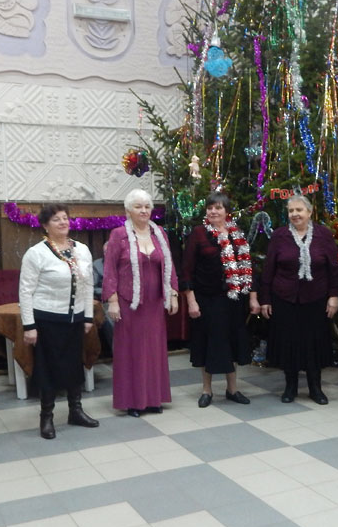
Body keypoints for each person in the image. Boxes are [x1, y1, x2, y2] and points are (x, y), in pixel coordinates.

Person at [19, 203, 100, 438]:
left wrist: (87, 316)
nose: (63, 222)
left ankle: (76, 410)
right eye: (56, 219)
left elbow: (87, 285)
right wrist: (29, 325)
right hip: (47, 320)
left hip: (75, 320)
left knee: (75, 365)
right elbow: (25, 291)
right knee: (48, 370)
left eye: (65, 218)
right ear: (45, 225)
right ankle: (46, 417)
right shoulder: (36, 253)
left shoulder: (82, 249)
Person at [102, 188, 179, 417]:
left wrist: (173, 294)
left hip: (155, 303)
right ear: (128, 210)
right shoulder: (118, 235)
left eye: (147, 206)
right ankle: (133, 401)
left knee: (154, 351)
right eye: (138, 207)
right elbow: (110, 270)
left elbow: (169, 265)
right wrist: (112, 301)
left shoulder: (159, 233)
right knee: (132, 352)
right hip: (129, 303)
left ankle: (154, 399)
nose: (144, 210)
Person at [260, 194, 338, 404]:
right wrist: (265, 299)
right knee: (289, 343)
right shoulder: (279, 236)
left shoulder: (323, 235)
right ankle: (291, 387)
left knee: (314, 343)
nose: (295, 214)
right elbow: (268, 269)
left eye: (299, 210)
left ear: (310, 212)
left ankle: (315, 388)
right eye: (291, 211)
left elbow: (334, 268)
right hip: (284, 299)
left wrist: (334, 296)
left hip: (316, 299)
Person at [182, 191, 253, 408]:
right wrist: (191, 301)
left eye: (218, 208)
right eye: (210, 207)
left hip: (233, 300)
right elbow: (187, 270)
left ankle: (232, 389)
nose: (213, 211)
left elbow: (247, 266)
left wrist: (251, 295)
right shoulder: (199, 233)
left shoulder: (236, 233)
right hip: (207, 300)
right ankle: (207, 390)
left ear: (226, 211)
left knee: (232, 342)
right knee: (208, 344)